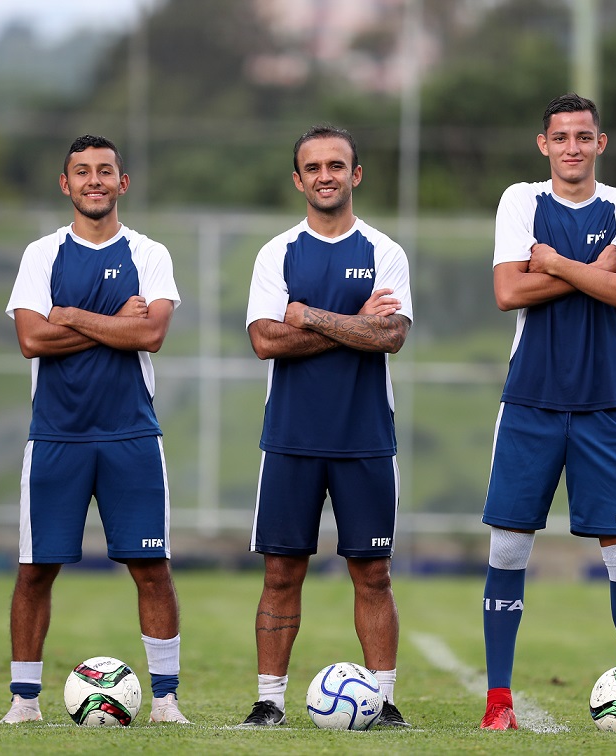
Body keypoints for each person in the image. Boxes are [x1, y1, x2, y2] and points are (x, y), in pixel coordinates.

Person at [479, 93, 616, 731]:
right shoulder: (521, 200)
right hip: (531, 401)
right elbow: (509, 291)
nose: (572, 147)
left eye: (583, 136)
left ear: (602, 143)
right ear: (544, 145)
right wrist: (596, 271)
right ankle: (499, 705)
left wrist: (556, 262)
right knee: (509, 548)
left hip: (605, 404)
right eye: (561, 137)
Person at [0, 135, 190, 725]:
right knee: (36, 570)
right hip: (56, 433)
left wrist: (75, 317)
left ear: (122, 183)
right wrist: (115, 322)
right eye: (81, 172)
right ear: (66, 184)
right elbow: (32, 339)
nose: (94, 181)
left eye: (105, 171)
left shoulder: (150, 253)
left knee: (151, 569)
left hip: (131, 433)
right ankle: (24, 702)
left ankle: (165, 700)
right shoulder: (41, 255)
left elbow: (150, 335)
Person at [238, 125, 413, 728]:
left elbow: (389, 335)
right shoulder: (276, 253)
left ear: (355, 175)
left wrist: (309, 316)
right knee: (282, 571)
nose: (325, 176)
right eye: (313, 167)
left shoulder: (384, 251)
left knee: (374, 573)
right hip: (290, 437)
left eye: (336, 165)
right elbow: (265, 340)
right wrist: (350, 324)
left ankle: (386, 702)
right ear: (298, 179)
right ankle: (268, 703)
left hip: (365, 436)